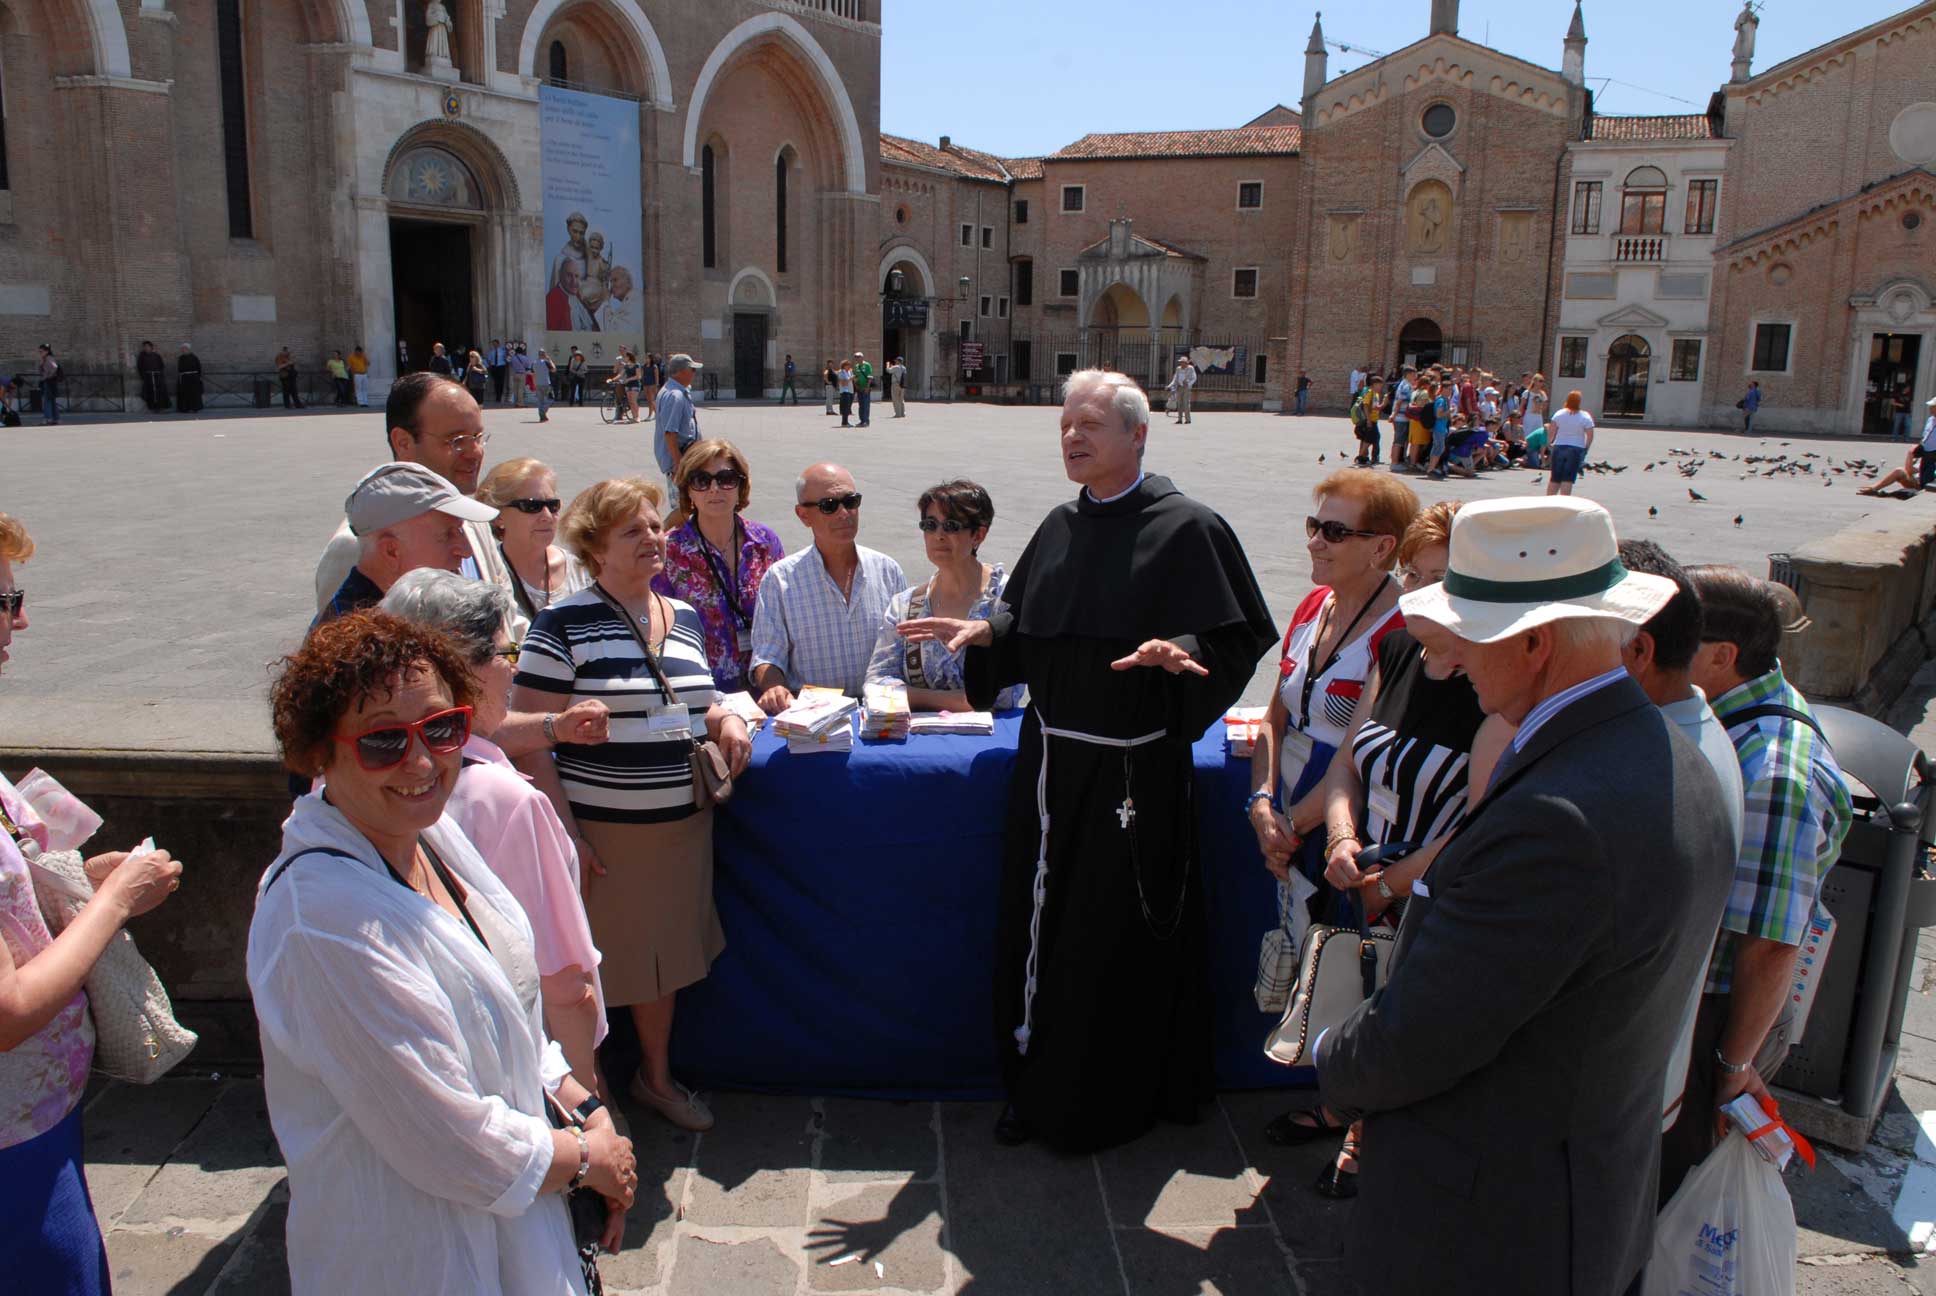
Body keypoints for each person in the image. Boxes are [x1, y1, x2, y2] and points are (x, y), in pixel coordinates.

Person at [1313, 496, 1733, 1296]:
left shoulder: (1560, 816)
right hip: (1576, 1195)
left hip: (1494, 1228)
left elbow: (1428, 1033)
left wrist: (1332, 1058)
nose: (1456, 655)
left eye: (1471, 633)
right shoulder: (1671, 752)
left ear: (1535, 642)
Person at [897, 369, 1275, 1152]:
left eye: (1092, 425)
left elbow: (1235, 636)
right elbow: (1028, 616)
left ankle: (1127, 1091)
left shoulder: (1190, 527)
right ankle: (1038, 1087)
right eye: (1066, 423)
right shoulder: (1062, 525)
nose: (1072, 436)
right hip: (1051, 766)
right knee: (1046, 928)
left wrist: (1188, 652)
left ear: (1138, 435)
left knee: (1120, 933)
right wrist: (987, 634)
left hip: (1136, 771)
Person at [253, 612, 636, 1291]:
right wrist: (587, 1159)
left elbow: (507, 1010)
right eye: (381, 742)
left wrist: (587, 1107)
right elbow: (447, 1140)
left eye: (441, 727)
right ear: (319, 752)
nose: (423, 761)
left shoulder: (428, 836)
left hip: (513, 1228)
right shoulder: (322, 920)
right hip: (415, 1255)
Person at [1274, 502, 1513, 1199]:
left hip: (1435, 883)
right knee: (1355, 999)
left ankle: (1367, 1136)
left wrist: (1396, 881)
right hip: (1364, 863)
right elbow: (1351, 760)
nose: (1418, 592)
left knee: (1408, 1019)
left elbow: (1487, 812)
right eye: (1412, 574)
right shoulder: (1398, 647)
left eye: (1440, 576)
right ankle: (1349, 1109)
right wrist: (1343, 838)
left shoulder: (1495, 681)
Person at [512, 477, 753, 1132]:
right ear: (595, 547)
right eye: (633, 531)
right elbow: (526, 737)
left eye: (654, 526)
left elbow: (696, 698)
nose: (653, 539)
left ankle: (654, 1077)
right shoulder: (561, 624)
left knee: (663, 964)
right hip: (604, 834)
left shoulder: (686, 618)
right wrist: (567, 835)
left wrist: (725, 718)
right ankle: (593, 1099)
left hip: (682, 826)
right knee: (590, 967)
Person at [0, 512, 185, 1295]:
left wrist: (76, 884)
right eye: (4, 602)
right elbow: (8, 1010)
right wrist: (110, 906)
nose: (22, 619)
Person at [1662, 564, 1853, 1202]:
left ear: (1722, 655)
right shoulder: (1736, 711)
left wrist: (1733, 1067)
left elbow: (1770, 944)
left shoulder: (1775, 776)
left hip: (1716, 1017)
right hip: (1702, 1006)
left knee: (1676, 1185)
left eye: (1672, 637)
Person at [378, 571, 609, 1098]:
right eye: (506, 654)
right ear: (462, 670)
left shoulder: (352, 778)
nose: (514, 669)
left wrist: (554, 727)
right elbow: (566, 983)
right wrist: (588, 1111)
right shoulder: (508, 803)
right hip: (513, 1079)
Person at [1615, 540, 1748, 1140]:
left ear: (1638, 652)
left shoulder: (1649, 767)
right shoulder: (1694, 728)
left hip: (1605, 1104)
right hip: (1640, 1085)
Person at [1248, 470, 1414, 948]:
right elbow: (1274, 719)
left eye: (1335, 532)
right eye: (1313, 526)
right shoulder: (1313, 604)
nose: (1315, 543)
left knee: (1325, 961)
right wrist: (1260, 803)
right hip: (1283, 814)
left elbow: (1360, 758)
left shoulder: (1401, 630)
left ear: (1382, 548)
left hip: (1337, 826)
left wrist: (1288, 828)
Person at [314, 373, 521, 617]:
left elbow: (509, 619)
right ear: (403, 442)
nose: (474, 452)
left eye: (477, 437)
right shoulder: (354, 545)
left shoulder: (474, 519)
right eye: (456, 440)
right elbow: (340, 643)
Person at [749, 463, 906, 712]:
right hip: (813, 716)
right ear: (803, 515)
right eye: (829, 506)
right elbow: (768, 655)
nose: (844, 513)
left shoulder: (888, 571)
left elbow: (905, 648)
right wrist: (774, 687)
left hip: (880, 711)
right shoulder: (780, 580)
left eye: (851, 502)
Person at [866, 480, 1021, 711]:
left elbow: (1007, 694)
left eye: (951, 526)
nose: (938, 535)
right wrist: (955, 701)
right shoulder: (906, 606)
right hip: (920, 740)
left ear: (978, 535)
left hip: (989, 740)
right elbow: (876, 684)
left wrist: (912, 696)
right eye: (930, 525)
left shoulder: (1006, 599)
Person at [653, 439, 785, 694]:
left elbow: (784, 616)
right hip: (701, 693)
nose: (714, 489)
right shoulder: (670, 551)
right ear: (688, 490)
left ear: (740, 486)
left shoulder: (765, 542)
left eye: (725, 478)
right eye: (701, 480)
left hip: (766, 689)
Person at [316, 462, 499, 625]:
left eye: (460, 530)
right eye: (447, 535)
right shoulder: (359, 647)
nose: (466, 550)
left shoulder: (412, 615)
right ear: (392, 552)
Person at [477, 457, 591, 623]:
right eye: (532, 506)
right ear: (498, 516)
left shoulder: (581, 570)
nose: (546, 516)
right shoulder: (485, 574)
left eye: (552, 505)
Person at [655, 353, 702, 514]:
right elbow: (670, 432)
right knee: (683, 508)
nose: (694, 374)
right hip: (680, 459)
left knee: (687, 504)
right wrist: (678, 463)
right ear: (681, 372)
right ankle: (666, 532)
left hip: (685, 457)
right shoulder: (675, 396)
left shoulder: (675, 391)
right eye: (692, 370)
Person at [1857, 400, 1936, 494]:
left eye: (1933, 406)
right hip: (1921, 475)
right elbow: (1925, 437)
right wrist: (1912, 453)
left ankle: (1875, 489)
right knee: (1899, 471)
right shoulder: (1930, 420)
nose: (1930, 408)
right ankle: (1874, 489)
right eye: (1930, 406)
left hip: (1927, 484)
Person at [1546, 389, 1595, 497]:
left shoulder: (1559, 414)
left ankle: (1548, 501)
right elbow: (1590, 435)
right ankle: (1564, 502)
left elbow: (1551, 430)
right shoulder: (1585, 416)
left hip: (1559, 446)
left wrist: (1549, 443)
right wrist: (1586, 448)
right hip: (1575, 448)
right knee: (1568, 478)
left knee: (1555, 477)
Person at [1351, 374, 1384, 466]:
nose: (1380, 387)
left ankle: (1363, 457)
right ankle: (1361, 457)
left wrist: (1384, 403)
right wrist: (1368, 420)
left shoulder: (1376, 394)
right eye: (1379, 385)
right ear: (1373, 384)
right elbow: (1365, 406)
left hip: (1374, 420)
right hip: (1369, 420)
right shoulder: (1370, 392)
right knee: (1370, 438)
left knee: (1372, 438)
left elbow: (1375, 407)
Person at [136, 340, 169, 411]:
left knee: (160, 392)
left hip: (157, 376)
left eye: (148, 346)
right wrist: (143, 376)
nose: (146, 348)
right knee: (150, 392)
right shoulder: (142, 356)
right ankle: (153, 407)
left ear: (151, 347)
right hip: (148, 377)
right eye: (145, 347)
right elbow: (140, 367)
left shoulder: (156, 355)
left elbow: (161, 365)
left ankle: (161, 406)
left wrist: (160, 374)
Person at [176, 343, 205, 414]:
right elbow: (179, 368)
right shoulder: (181, 358)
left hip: (194, 378)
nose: (183, 350)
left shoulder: (194, 357)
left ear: (188, 349)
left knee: (194, 393)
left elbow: (198, 368)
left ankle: (195, 408)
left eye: (185, 349)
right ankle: (186, 408)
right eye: (182, 349)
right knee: (185, 393)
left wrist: (198, 377)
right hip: (184, 378)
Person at [36, 344, 60, 425]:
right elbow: (40, 371)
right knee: (52, 401)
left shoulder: (49, 358)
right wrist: (41, 364)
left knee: (47, 401)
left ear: (47, 351)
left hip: (49, 382)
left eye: (41, 351)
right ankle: (55, 419)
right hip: (51, 382)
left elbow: (55, 367)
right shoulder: (46, 358)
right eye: (39, 351)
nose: (40, 353)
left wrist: (48, 376)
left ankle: (47, 419)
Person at [508, 343, 532, 410]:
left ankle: (515, 403)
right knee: (521, 389)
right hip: (522, 374)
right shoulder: (525, 358)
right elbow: (528, 366)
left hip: (515, 374)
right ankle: (520, 403)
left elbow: (511, 365)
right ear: (522, 351)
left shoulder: (513, 358)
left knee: (515, 389)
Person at [853, 351, 873, 427]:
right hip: (859, 388)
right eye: (856, 357)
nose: (857, 358)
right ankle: (861, 420)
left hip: (865, 388)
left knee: (866, 405)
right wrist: (856, 385)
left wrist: (867, 387)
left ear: (862, 357)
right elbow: (855, 376)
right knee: (860, 405)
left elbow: (870, 377)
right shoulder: (856, 366)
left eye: (858, 357)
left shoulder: (867, 365)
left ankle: (866, 421)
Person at [486, 339, 508, 404]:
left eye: (495, 343)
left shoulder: (503, 351)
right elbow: (489, 360)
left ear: (498, 344)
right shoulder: (491, 352)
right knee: (495, 382)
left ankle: (500, 396)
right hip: (494, 367)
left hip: (501, 367)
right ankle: (497, 396)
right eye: (493, 344)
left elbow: (506, 358)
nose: (494, 345)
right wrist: (491, 367)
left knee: (501, 382)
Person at [836, 360, 855, 426]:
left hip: (850, 391)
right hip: (844, 391)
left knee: (848, 407)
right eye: (848, 365)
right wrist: (851, 378)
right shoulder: (841, 372)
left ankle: (846, 421)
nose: (849, 366)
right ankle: (844, 422)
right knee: (845, 407)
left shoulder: (850, 372)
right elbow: (843, 383)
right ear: (844, 366)